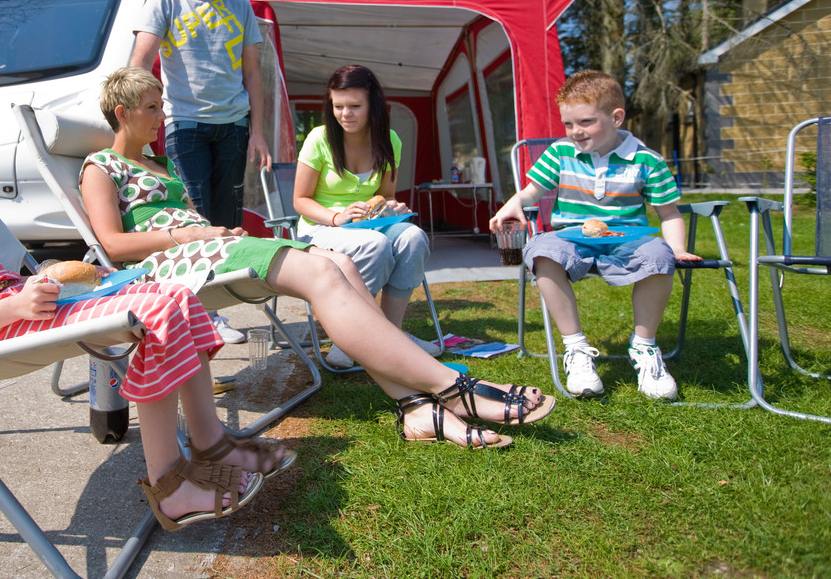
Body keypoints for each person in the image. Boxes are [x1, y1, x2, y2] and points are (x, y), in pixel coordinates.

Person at [0, 100, 294, 532]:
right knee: (157, 310)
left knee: (175, 294)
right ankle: (170, 484)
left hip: (18, 307)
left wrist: (68, 281)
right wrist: (13, 305)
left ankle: (210, 443)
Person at [80, 67, 558, 450]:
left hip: (206, 247)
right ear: (122, 113)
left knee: (342, 266)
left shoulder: (158, 166)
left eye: (161, 106)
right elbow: (112, 245)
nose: (162, 116)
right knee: (324, 269)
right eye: (151, 108)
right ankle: (454, 387)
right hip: (175, 264)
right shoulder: (101, 166)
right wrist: (190, 232)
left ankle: (417, 408)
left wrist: (206, 231)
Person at [488, 70, 701, 400]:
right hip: (572, 238)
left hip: (629, 238)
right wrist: (512, 206)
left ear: (616, 117)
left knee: (661, 255)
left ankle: (645, 348)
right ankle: (576, 349)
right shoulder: (561, 153)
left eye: (585, 122)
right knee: (541, 249)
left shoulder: (647, 161)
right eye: (569, 124)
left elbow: (669, 213)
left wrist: (676, 248)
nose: (575, 132)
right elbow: (531, 192)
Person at [130, 0, 269, 345]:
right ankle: (195, 312)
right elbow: (141, 60)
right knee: (194, 217)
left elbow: (252, 74)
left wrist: (258, 132)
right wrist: (133, 123)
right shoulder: (165, 0)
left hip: (234, 126)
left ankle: (214, 312)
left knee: (226, 221)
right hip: (185, 124)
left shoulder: (241, 7)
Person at [291, 65, 438, 370]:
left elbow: (384, 193)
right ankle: (351, 338)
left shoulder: (390, 140)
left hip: (366, 224)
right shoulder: (319, 139)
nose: (345, 114)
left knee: (412, 237)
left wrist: (386, 208)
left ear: (373, 105)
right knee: (375, 245)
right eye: (338, 106)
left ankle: (390, 335)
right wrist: (337, 217)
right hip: (321, 226)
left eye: (355, 106)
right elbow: (300, 201)